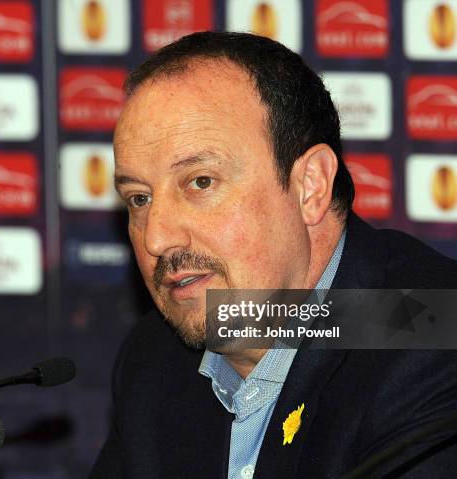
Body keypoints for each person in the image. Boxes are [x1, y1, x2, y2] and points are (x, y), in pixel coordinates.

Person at [89, 32, 457, 479]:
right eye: (139, 199)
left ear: (311, 187)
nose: (157, 239)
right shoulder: (155, 360)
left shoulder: (430, 332)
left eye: (200, 182)